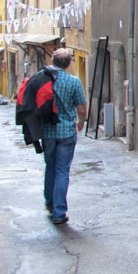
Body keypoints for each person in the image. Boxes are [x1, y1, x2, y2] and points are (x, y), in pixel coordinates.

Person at [42, 49, 87, 225]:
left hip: (47, 131)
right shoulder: (73, 81)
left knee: (50, 166)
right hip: (67, 131)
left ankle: (50, 203)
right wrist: (81, 122)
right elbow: (82, 108)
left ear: (52, 61)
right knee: (62, 170)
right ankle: (60, 212)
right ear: (69, 64)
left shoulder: (43, 79)